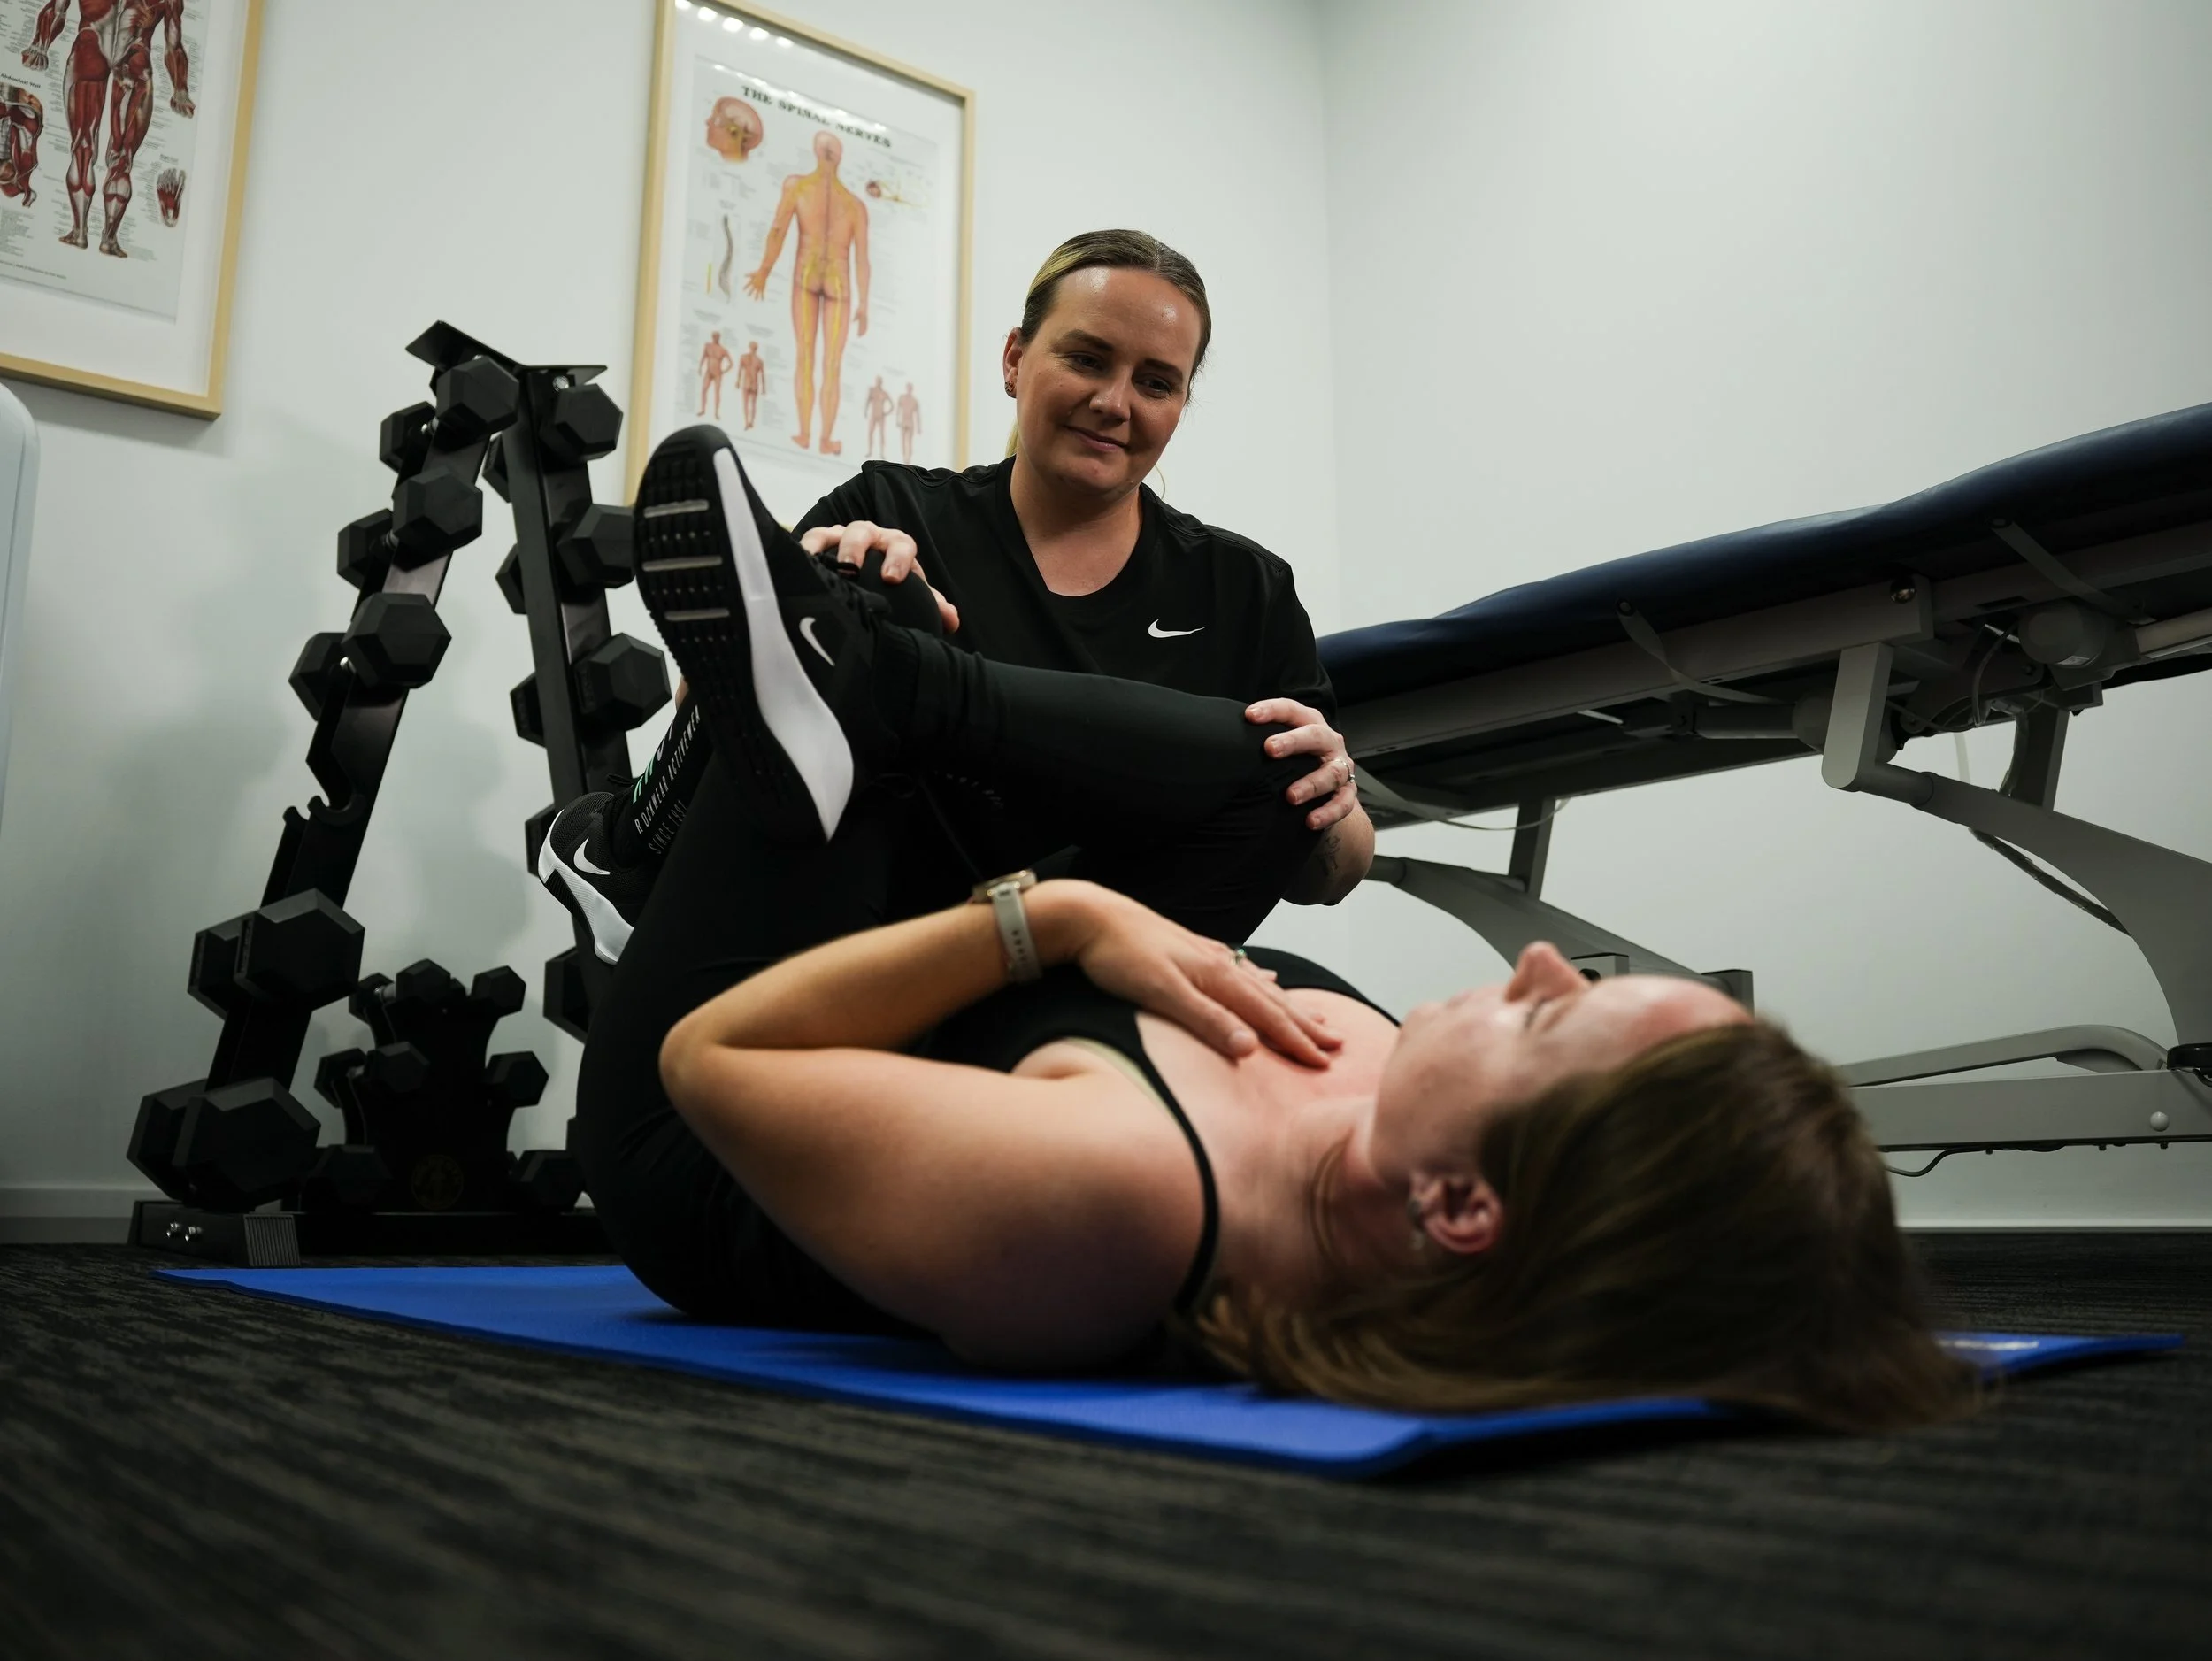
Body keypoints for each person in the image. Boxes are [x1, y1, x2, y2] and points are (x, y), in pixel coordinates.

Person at [572, 424, 1979, 1432]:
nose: (1538, 961)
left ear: (1463, 1206)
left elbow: (714, 1056)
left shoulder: (1116, 1199)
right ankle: (854, 673)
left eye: (1553, 1015)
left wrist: (1053, 919)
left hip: (691, 1120)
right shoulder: (1401, 1111)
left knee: (858, 683)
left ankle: (767, 749)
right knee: (1273, 775)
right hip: (929, 987)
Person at [539, 229, 1372, 964]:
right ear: (1015, 359)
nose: (1115, 402)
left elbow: (1330, 873)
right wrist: (828, 585)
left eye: (1156, 382)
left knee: (1272, 764)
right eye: (1086, 359)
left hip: (1083, 962)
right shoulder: (892, 508)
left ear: (1182, 403)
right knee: (874, 591)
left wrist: (1328, 800)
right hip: (871, 927)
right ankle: (631, 849)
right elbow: (722, 714)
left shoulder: (1243, 588)